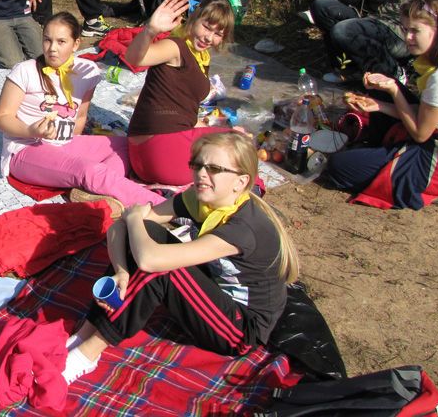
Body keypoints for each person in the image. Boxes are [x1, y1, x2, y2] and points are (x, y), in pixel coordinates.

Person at [63, 131, 299, 385]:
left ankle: (87, 355)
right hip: (214, 292)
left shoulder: (243, 228)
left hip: (241, 330)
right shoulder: (199, 198)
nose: (201, 174)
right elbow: (121, 227)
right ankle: (84, 333)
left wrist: (133, 219)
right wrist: (121, 270)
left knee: (163, 267)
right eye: (197, 165)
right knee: (148, 233)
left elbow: (148, 259)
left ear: (240, 182)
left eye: (214, 169)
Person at [0, 12, 168, 214]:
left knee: (129, 145)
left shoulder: (87, 71)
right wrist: (31, 130)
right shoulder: (25, 70)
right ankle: (166, 208)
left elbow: (81, 115)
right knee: (90, 170)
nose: (52, 48)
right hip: (26, 149)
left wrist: (74, 145)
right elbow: (1, 117)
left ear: (76, 44)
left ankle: (96, 190)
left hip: (64, 144)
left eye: (61, 41)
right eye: (47, 40)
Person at [326, 0, 438, 210]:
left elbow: (421, 134)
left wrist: (394, 91)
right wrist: (380, 105)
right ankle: (376, 154)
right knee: (382, 90)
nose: (408, 37)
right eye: (406, 29)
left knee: (337, 167)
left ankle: (412, 178)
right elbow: (427, 113)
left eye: (415, 31)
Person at [125, 0, 238, 186]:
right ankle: (252, 191)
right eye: (206, 27)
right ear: (193, 18)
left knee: (230, 136)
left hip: (145, 158)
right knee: (238, 145)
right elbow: (134, 59)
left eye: (218, 34)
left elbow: (185, 112)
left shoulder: (200, 57)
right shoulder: (176, 47)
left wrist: (218, 131)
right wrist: (150, 30)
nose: (209, 37)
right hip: (160, 152)